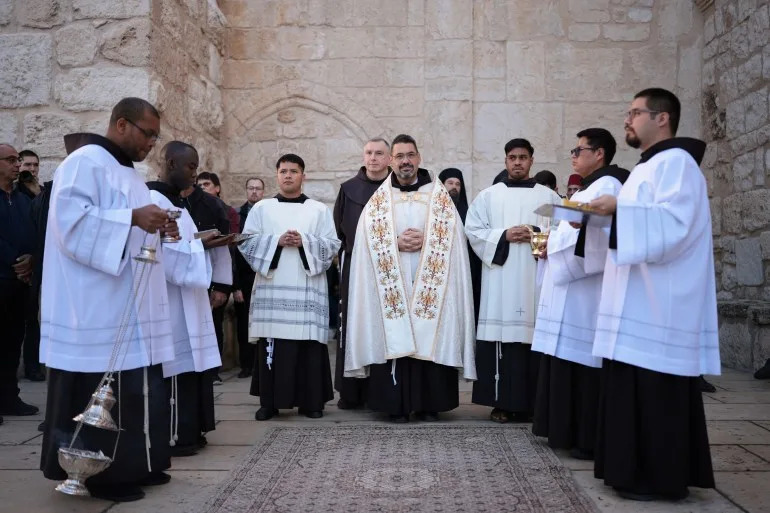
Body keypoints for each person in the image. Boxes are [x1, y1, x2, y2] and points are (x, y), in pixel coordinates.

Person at [39, 98, 177, 502]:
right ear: (121, 124)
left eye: (155, 137)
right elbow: (71, 224)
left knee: (136, 389)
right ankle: (103, 478)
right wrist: (132, 218)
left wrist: (157, 226)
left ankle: (140, 464)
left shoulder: (128, 174)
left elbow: (131, 228)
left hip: (129, 303)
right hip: (93, 304)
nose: (151, 143)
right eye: (148, 133)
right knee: (103, 390)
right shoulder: (83, 162)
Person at [587, 88, 719, 501]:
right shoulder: (648, 167)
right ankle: (630, 472)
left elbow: (675, 223)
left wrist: (618, 210)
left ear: (662, 118)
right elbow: (637, 226)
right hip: (636, 300)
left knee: (654, 393)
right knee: (631, 389)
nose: (627, 120)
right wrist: (596, 219)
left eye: (635, 112)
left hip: (660, 305)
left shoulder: (677, 163)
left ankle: (658, 477)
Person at [344, 134, 476, 423]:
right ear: (391, 161)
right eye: (400, 156)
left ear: (419, 158)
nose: (405, 161)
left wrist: (429, 241)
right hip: (394, 284)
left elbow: (455, 239)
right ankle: (396, 405)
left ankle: (430, 404)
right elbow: (364, 242)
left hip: (430, 285)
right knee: (396, 332)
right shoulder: (378, 201)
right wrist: (394, 243)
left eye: (410, 155)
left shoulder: (438, 196)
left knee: (429, 333)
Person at [531, 128, 629, 460]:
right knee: (565, 359)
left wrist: (555, 243)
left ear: (599, 153)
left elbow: (596, 243)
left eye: (579, 150)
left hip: (586, 293)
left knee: (581, 363)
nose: (573, 156)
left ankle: (583, 435)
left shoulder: (608, 186)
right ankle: (563, 430)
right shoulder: (591, 187)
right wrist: (554, 240)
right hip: (571, 289)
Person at [465, 138, 560, 423]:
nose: (518, 162)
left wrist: (537, 235)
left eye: (523, 157)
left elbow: (565, 232)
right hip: (500, 281)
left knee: (533, 340)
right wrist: (503, 235)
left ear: (532, 160)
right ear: (506, 160)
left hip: (535, 281)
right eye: (512, 157)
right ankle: (501, 404)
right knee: (502, 342)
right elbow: (473, 231)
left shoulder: (550, 197)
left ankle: (534, 405)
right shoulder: (488, 196)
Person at [238, 154, 340, 420]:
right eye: (283, 171)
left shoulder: (318, 210)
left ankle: (311, 403)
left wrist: (305, 242)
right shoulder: (262, 208)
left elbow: (332, 245)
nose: (288, 175)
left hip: (307, 289)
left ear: (303, 176)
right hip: (273, 289)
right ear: (277, 175)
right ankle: (269, 403)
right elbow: (246, 243)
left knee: (308, 345)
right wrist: (277, 241)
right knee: (273, 343)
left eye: (294, 171)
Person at [147, 141, 223, 457]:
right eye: (190, 166)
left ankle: (192, 430)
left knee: (193, 368)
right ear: (170, 163)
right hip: (170, 303)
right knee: (177, 368)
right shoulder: (154, 200)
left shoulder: (175, 202)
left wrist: (199, 243)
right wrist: (201, 246)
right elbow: (169, 258)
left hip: (187, 299)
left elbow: (181, 243)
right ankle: (177, 436)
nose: (194, 173)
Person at [332, 138, 391, 409]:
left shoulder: (396, 189)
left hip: (389, 268)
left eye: (379, 153)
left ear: (389, 158)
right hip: (355, 267)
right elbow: (339, 230)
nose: (373, 158)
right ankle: (352, 392)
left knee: (385, 328)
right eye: (369, 153)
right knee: (354, 326)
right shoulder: (348, 189)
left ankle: (382, 391)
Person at [0, 143, 39, 422]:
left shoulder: (24, 199)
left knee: (14, 341)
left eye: (17, 160)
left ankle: (9, 398)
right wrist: (16, 261)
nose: (17, 164)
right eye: (11, 160)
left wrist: (32, 259)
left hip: (21, 283)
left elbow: (37, 231)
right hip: (2, 276)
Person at [182, 176, 233, 385]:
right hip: (178, 278)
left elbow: (223, 245)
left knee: (211, 325)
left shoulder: (212, 205)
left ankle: (211, 371)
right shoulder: (161, 200)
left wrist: (222, 285)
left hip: (208, 277)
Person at [439, 167, 482, 323]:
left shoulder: (468, 213)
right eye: (450, 183)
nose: (454, 187)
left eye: (458, 184)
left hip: (462, 269)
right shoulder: (431, 210)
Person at [233, 178, 264, 379]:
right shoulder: (237, 216)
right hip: (244, 278)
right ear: (246, 190)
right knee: (244, 323)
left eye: (258, 189)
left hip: (263, 275)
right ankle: (246, 365)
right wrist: (235, 285)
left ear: (263, 191)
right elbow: (233, 252)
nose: (254, 192)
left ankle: (262, 365)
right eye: (251, 188)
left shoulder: (267, 213)